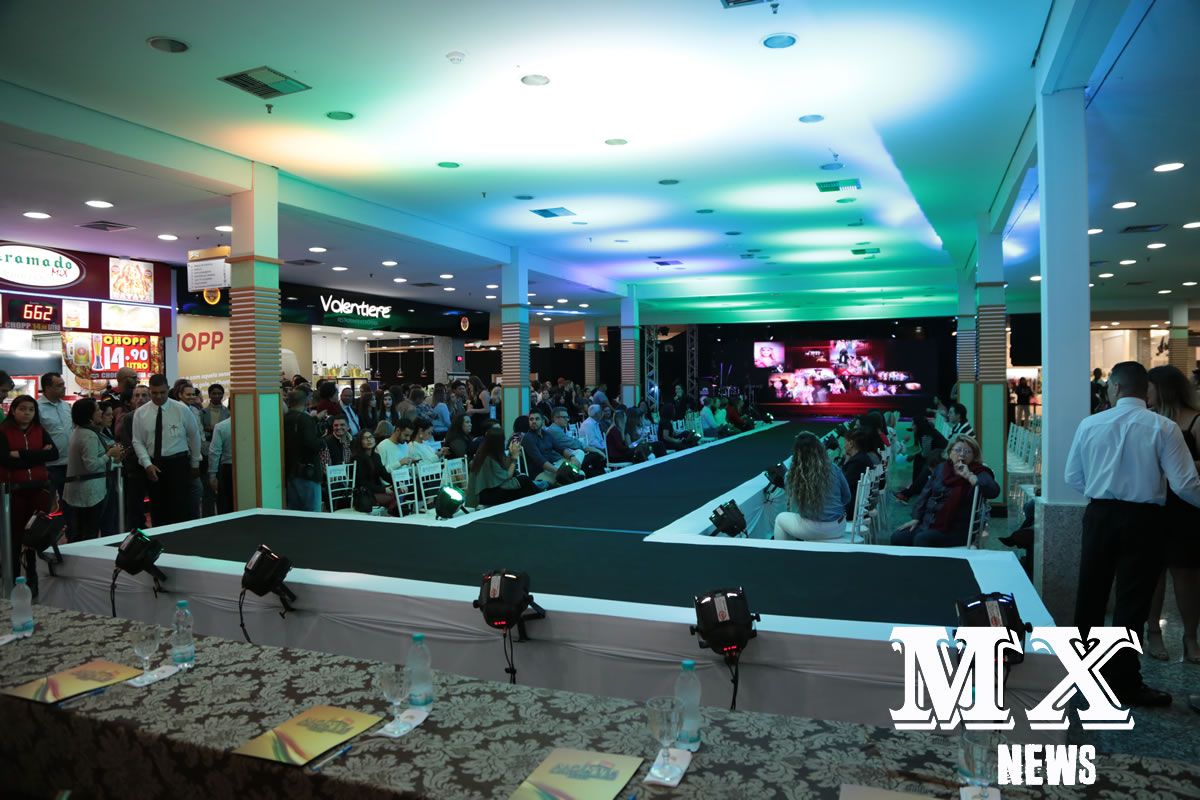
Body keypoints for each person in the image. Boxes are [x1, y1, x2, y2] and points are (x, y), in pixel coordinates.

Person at [1065, 361, 1200, 707]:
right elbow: (1185, 484)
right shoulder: (1164, 427)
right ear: (1146, 391)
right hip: (1144, 520)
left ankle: (1081, 676)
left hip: (1099, 515)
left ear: (1114, 387)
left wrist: (1102, 492)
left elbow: (1073, 477)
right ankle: (1124, 683)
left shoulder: (1090, 424)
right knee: (1132, 603)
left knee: (1090, 596)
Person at [1143, 365, 1200, 664]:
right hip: (1153, 504)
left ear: (1163, 389)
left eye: (1149, 387)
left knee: (1187, 575)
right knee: (1152, 574)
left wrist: (1180, 466)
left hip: (1186, 508)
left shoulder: (1195, 420)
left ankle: (1190, 636)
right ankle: (1153, 630)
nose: (1144, 393)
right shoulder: (1149, 420)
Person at [892, 434, 997, 548]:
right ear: (950, 452)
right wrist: (916, 518)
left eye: (967, 452)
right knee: (898, 537)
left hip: (956, 530)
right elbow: (925, 494)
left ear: (974, 456)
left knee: (921, 540)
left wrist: (969, 476)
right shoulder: (941, 468)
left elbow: (993, 490)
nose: (962, 454)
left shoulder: (979, 471)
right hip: (929, 523)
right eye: (958, 450)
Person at [0, 395, 58, 584]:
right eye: (22, 409)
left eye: (31, 409)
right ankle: (13, 577)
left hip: (39, 490)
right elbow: (5, 460)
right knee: (15, 537)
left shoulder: (39, 430)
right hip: (14, 492)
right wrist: (39, 456)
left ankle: (33, 576)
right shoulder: (3, 431)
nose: (27, 413)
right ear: (13, 410)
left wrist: (22, 454)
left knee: (36, 535)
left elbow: (54, 453)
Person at [129, 375, 201, 526]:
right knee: (158, 510)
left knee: (181, 509)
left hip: (178, 463)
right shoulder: (140, 413)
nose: (159, 396)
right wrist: (147, 464)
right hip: (154, 465)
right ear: (150, 391)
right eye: (154, 393)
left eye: (162, 392)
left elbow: (194, 436)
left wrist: (195, 463)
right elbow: (137, 441)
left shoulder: (181, 409)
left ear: (168, 389)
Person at [62, 396, 123, 541]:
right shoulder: (88, 435)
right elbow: (92, 465)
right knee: (89, 531)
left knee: (84, 530)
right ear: (89, 415)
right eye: (97, 410)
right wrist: (109, 454)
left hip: (86, 490)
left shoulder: (81, 431)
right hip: (89, 492)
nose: (100, 412)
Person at [772, 432, 851, 541]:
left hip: (811, 529)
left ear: (796, 453)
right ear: (820, 448)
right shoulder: (834, 468)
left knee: (780, 519)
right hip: (838, 527)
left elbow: (793, 503)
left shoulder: (792, 474)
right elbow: (847, 497)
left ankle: (785, 551)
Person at [468, 427, 541, 507]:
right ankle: (541, 497)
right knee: (524, 482)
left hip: (491, 490)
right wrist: (514, 458)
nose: (505, 441)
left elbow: (505, 468)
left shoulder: (488, 452)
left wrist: (511, 453)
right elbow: (507, 476)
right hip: (486, 494)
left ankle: (539, 498)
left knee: (523, 485)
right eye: (503, 439)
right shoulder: (487, 458)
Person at [36, 372, 72, 527]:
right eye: (59, 385)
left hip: (69, 463)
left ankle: (72, 535)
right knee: (45, 506)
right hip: (49, 466)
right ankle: (40, 537)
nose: (64, 388)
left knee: (70, 505)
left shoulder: (66, 406)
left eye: (63, 384)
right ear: (47, 388)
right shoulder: (37, 408)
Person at [281, 388, 323, 512]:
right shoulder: (305, 419)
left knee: (295, 511)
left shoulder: (284, 418)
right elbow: (311, 444)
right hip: (308, 472)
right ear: (306, 401)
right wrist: (322, 442)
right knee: (312, 512)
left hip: (291, 471)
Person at [894, 414, 947, 503]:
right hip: (937, 456)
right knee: (918, 460)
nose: (912, 427)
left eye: (913, 424)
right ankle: (915, 488)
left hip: (942, 458)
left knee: (925, 468)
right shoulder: (927, 431)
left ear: (918, 425)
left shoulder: (926, 435)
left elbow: (926, 454)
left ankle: (908, 493)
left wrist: (912, 456)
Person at [522, 409, 575, 484]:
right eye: (531, 419)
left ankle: (574, 471)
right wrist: (559, 471)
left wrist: (572, 457)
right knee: (567, 478)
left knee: (577, 466)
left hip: (552, 467)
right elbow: (540, 461)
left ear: (542, 421)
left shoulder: (546, 434)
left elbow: (560, 449)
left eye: (537, 419)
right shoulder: (528, 438)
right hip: (539, 473)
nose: (534, 421)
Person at [351, 430, 396, 513]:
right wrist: (383, 490)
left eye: (370, 437)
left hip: (376, 489)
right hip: (364, 493)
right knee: (395, 496)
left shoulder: (376, 456)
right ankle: (391, 514)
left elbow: (384, 474)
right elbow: (363, 483)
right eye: (365, 438)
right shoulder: (357, 458)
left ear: (374, 439)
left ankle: (390, 513)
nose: (369, 440)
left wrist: (398, 483)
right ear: (360, 442)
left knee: (400, 491)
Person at [841, 430, 880, 520]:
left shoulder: (856, 462)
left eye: (845, 442)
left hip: (851, 509)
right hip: (859, 505)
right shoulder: (862, 458)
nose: (844, 446)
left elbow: (843, 485)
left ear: (851, 443)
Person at [208, 414, 234, 515]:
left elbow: (214, 452)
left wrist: (212, 475)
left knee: (227, 506)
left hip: (228, 469)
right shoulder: (256, 424)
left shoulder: (221, 426)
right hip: (252, 468)